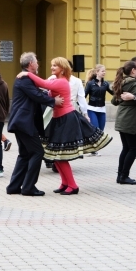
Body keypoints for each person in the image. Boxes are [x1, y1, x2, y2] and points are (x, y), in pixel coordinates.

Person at [18, 57, 112, 195]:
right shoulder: (55, 80)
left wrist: (27, 74)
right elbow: (44, 88)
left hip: (66, 119)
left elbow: (43, 83)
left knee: (60, 155)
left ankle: (73, 185)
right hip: (58, 119)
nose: (52, 67)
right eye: (51, 65)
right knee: (55, 155)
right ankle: (65, 183)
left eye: (55, 65)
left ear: (62, 68)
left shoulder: (62, 82)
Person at [6, 52, 61, 196]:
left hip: (21, 122)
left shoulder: (26, 78)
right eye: (36, 61)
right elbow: (36, 95)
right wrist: (53, 101)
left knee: (24, 154)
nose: (38, 64)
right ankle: (28, 187)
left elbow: (38, 90)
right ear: (31, 64)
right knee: (37, 152)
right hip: (24, 123)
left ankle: (14, 187)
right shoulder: (24, 79)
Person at [84, 64, 110, 137]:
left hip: (102, 109)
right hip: (92, 109)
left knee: (101, 131)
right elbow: (83, 96)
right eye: (102, 71)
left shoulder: (105, 84)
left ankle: (98, 146)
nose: (104, 73)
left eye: (105, 71)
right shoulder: (90, 83)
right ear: (97, 72)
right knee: (95, 129)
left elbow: (113, 93)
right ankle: (93, 146)